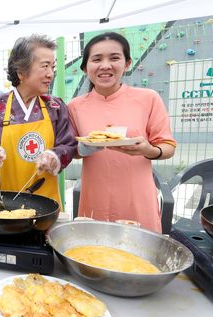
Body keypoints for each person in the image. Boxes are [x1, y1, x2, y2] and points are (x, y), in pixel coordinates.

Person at [68, 32, 176, 233]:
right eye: (97, 59)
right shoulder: (74, 106)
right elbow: (71, 150)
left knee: (140, 256)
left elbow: (168, 146)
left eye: (114, 58)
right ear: (85, 67)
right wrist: (83, 148)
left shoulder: (148, 99)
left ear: (127, 63)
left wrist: (148, 150)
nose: (105, 65)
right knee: (94, 252)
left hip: (137, 197)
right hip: (94, 196)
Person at [0, 35, 77, 206]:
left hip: (44, 202)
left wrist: (55, 156)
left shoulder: (55, 106)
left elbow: (68, 145)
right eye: (45, 66)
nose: (50, 74)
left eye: (52, 67)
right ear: (21, 72)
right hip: (0, 201)